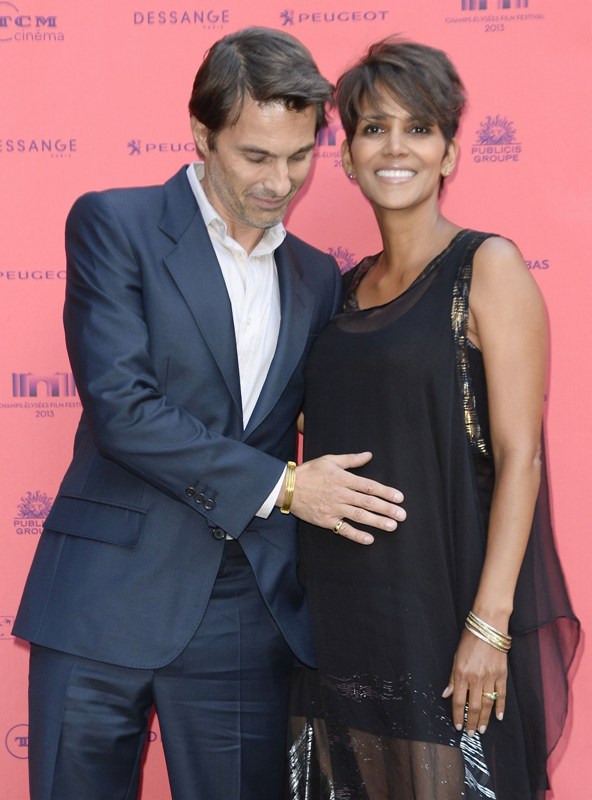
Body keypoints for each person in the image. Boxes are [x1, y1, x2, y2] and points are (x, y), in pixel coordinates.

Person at [13, 28, 407, 800]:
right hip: (101, 598)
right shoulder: (115, 225)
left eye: (299, 157)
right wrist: (288, 487)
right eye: (256, 156)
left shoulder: (315, 278)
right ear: (202, 134)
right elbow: (124, 411)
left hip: (244, 613)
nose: (280, 182)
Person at [289, 38, 579, 799]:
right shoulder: (339, 291)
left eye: (418, 129)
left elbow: (520, 457)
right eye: (373, 128)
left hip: (443, 611)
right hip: (341, 616)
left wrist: (488, 627)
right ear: (346, 156)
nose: (395, 147)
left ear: (449, 153)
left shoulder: (488, 267)